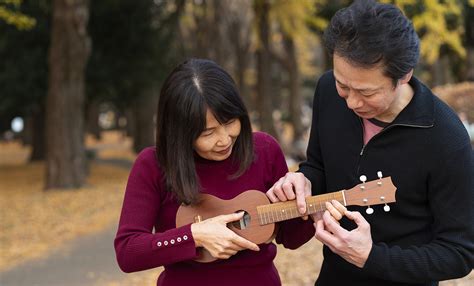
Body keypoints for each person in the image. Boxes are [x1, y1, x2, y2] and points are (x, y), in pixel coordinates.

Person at [266, 1, 474, 285]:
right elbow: (318, 165)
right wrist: (304, 180)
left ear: (404, 75)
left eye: (366, 92)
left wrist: (371, 257)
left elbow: (459, 252)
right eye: (344, 85)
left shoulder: (446, 139)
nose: (351, 102)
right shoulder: (327, 90)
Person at [114, 59, 343, 286]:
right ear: (180, 132)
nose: (224, 140)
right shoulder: (153, 165)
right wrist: (194, 235)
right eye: (207, 133)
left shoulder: (264, 150)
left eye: (231, 121)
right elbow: (128, 252)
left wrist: (304, 207)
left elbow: (291, 238)